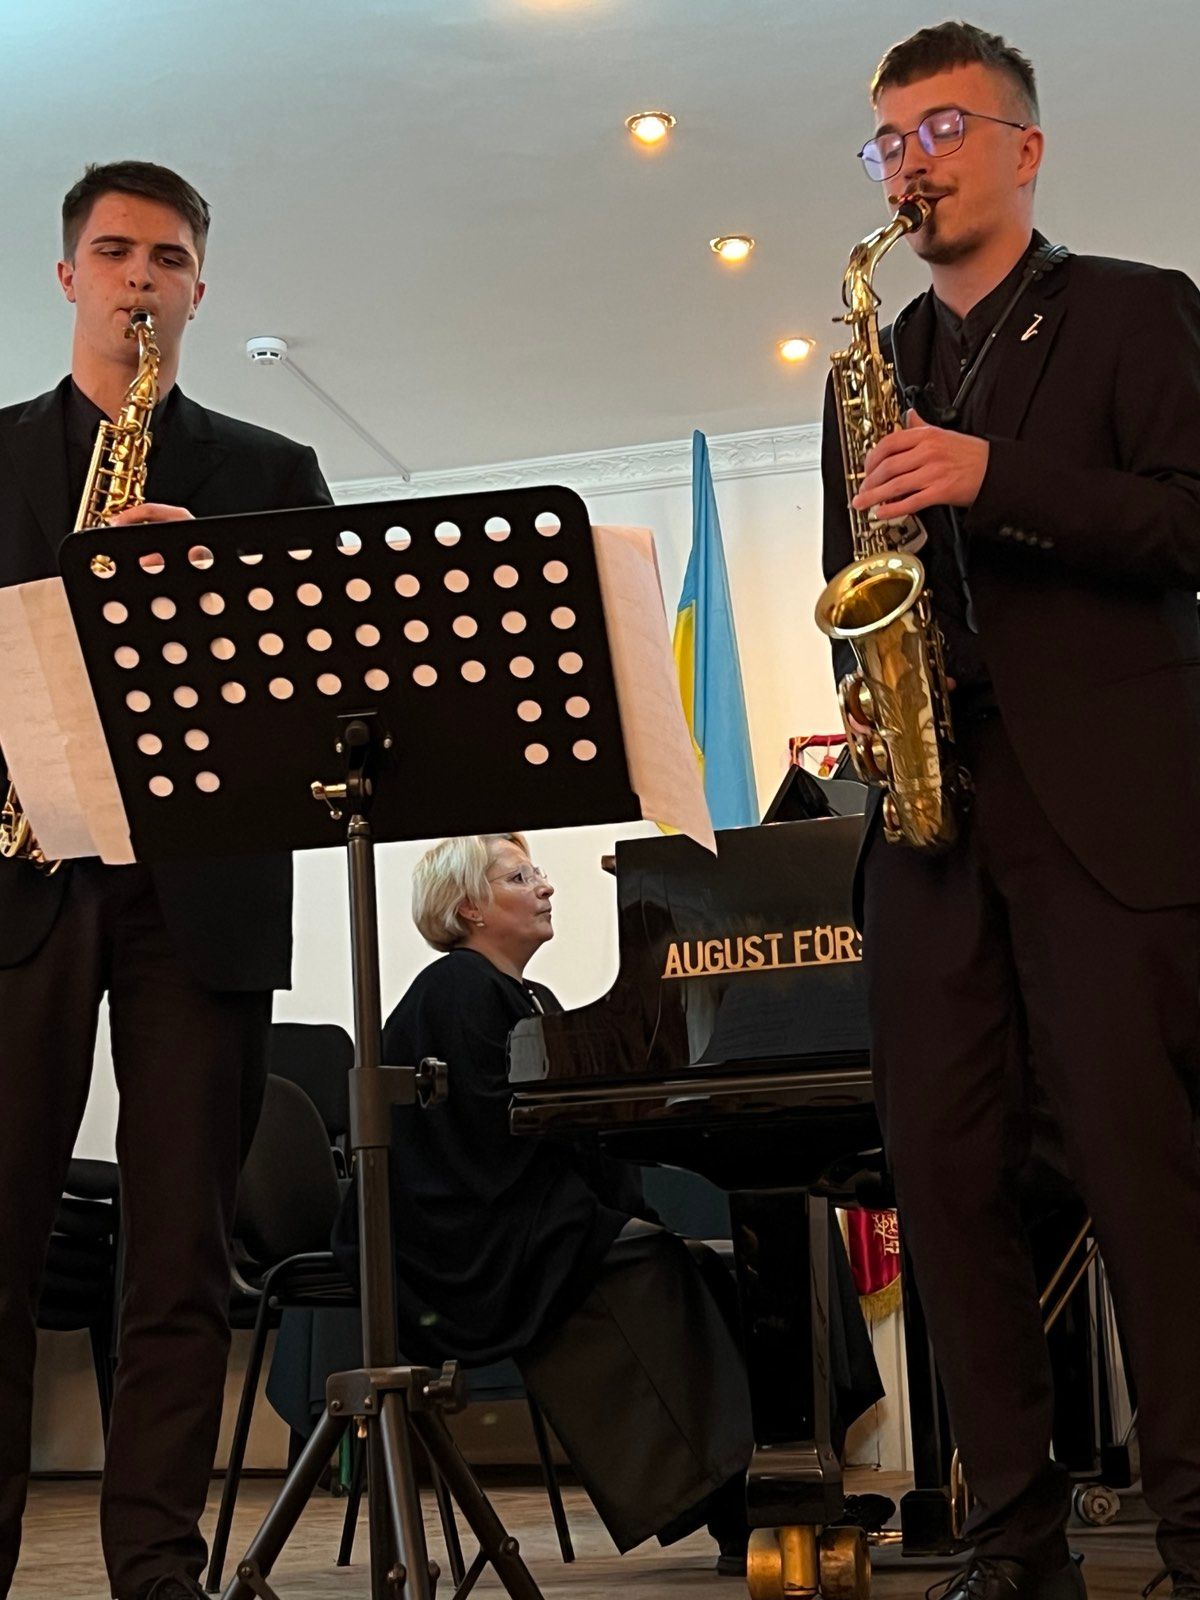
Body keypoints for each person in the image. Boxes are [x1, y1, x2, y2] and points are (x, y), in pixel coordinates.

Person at [820, 21, 1200, 1600]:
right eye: (890, 141)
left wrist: (992, 476)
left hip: (1107, 816)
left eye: (944, 130)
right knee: (947, 1182)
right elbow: (851, 584)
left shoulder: (1137, 309)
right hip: (932, 823)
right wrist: (868, 690)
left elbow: (1188, 524)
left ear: (1025, 150)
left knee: (1147, 1180)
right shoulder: (870, 365)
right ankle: (1012, 1539)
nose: (911, 164)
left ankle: (1194, 1529)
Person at [0, 161, 331, 1600]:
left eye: (170, 257)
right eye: (116, 251)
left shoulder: (271, 472)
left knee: (183, 1252)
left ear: (201, 288)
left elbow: (329, 692)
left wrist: (218, 600)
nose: (142, 276)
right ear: (67, 276)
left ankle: (154, 1569)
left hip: (199, 890)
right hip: (23, 875)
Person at [333, 831, 757, 1571]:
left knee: (706, 1264)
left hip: (503, 1205)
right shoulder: (457, 986)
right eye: (519, 876)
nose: (546, 886)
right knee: (650, 1264)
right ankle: (729, 1502)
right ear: (469, 908)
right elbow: (488, 1132)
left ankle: (758, 1481)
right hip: (457, 1233)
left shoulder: (527, 997)